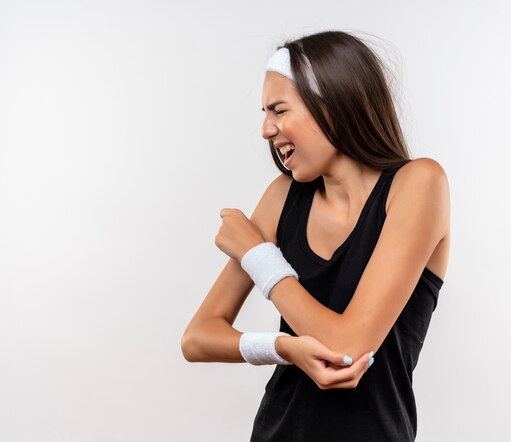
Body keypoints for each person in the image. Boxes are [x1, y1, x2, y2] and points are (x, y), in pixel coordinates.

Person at [181, 30, 450, 441]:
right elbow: (197, 338)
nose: (266, 130)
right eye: (264, 113)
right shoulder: (282, 197)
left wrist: (259, 255)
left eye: (279, 110)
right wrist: (284, 348)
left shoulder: (418, 184)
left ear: (334, 106)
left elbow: (349, 347)